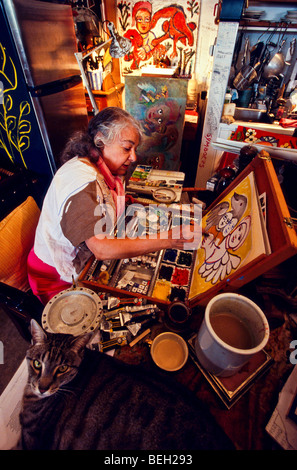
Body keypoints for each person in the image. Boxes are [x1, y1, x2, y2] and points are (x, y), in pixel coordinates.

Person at [27, 107, 196, 305]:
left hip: (81, 264)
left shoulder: (105, 170)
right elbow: (101, 249)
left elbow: (109, 203)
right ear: (100, 140)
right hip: (54, 277)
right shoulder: (82, 180)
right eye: (127, 148)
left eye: (134, 149)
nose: (133, 157)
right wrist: (169, 239)